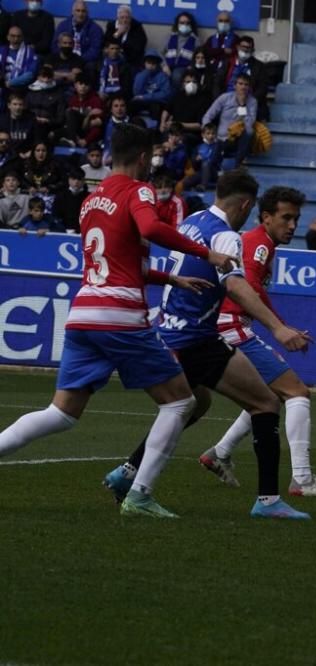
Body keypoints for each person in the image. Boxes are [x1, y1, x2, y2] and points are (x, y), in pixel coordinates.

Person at [0, 123, 237, 517]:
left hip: (83, 313)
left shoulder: (91, 200)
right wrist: (207, 253)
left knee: (59, 413)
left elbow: (116, 260)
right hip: (120, 314)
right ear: (143, 157)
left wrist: (170, 277)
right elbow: (149, 227)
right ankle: (139, 495)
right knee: (181, 402)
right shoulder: (138, 190)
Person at [104, 170, 314, 520]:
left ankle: (126, 474)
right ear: (246, 204)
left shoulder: (192, 221)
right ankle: (268, 501)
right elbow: (236, 287)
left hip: (169, 331)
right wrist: (278, 328)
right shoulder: (226, 237)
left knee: (194, 404)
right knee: (264, 402)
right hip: (195, 337)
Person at [200, 186, 316, 497]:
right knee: (297, 392)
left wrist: (281, 325)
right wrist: (280, 327)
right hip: (230, 325)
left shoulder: (259, 243)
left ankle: (219, 453)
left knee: (266, 396)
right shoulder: (260, 244)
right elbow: (247, 284)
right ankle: (301, 480)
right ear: (265, 218)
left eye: (296, 219)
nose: (292, 225)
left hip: (223, 325)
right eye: (286, 218)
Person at [201, 72, 256, 168]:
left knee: (249, 132)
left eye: (246, 85)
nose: (243, 87)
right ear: (235, 85)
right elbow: (208, 116)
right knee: (211, 159)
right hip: (222, 138)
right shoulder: (225, 98)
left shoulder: (252, 102)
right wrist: (208, 131)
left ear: (249, 88)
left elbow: (249, 125)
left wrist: (242, 105)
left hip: (238, 139)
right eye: (240, 84)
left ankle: (237, 165)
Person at [129, 50, 172, 119]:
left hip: (156, 102)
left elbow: (166, 94)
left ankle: (155, 129)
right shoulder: (140, 75)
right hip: (143, 101)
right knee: (132, 105)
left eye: (153, 63)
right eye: (148, 63)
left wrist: (145, 97)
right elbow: (136, 92)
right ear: (144, 63)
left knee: (156, 107)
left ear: (157, 64)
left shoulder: (163, 76)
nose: (151, 65)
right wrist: (145, 74)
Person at [0, 24, 38, 97]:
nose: (16, 39)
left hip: (21, 88)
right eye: (13, 36)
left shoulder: (30, 53)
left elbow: (30, 75)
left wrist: (9, 83)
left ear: (22, 38)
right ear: (8, 37)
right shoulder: (1, 51)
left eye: (18, 36)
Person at [162, 12, 197, 88]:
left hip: (184, 67)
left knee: (176, 75)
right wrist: (164, 65)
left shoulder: (195, 40)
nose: (185, 25)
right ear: (177, 24)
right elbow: (162, 53)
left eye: (187, 23)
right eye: (182, 23)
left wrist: (191, 66)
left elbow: (198, 57)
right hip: (168, 65)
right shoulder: (170, 37)